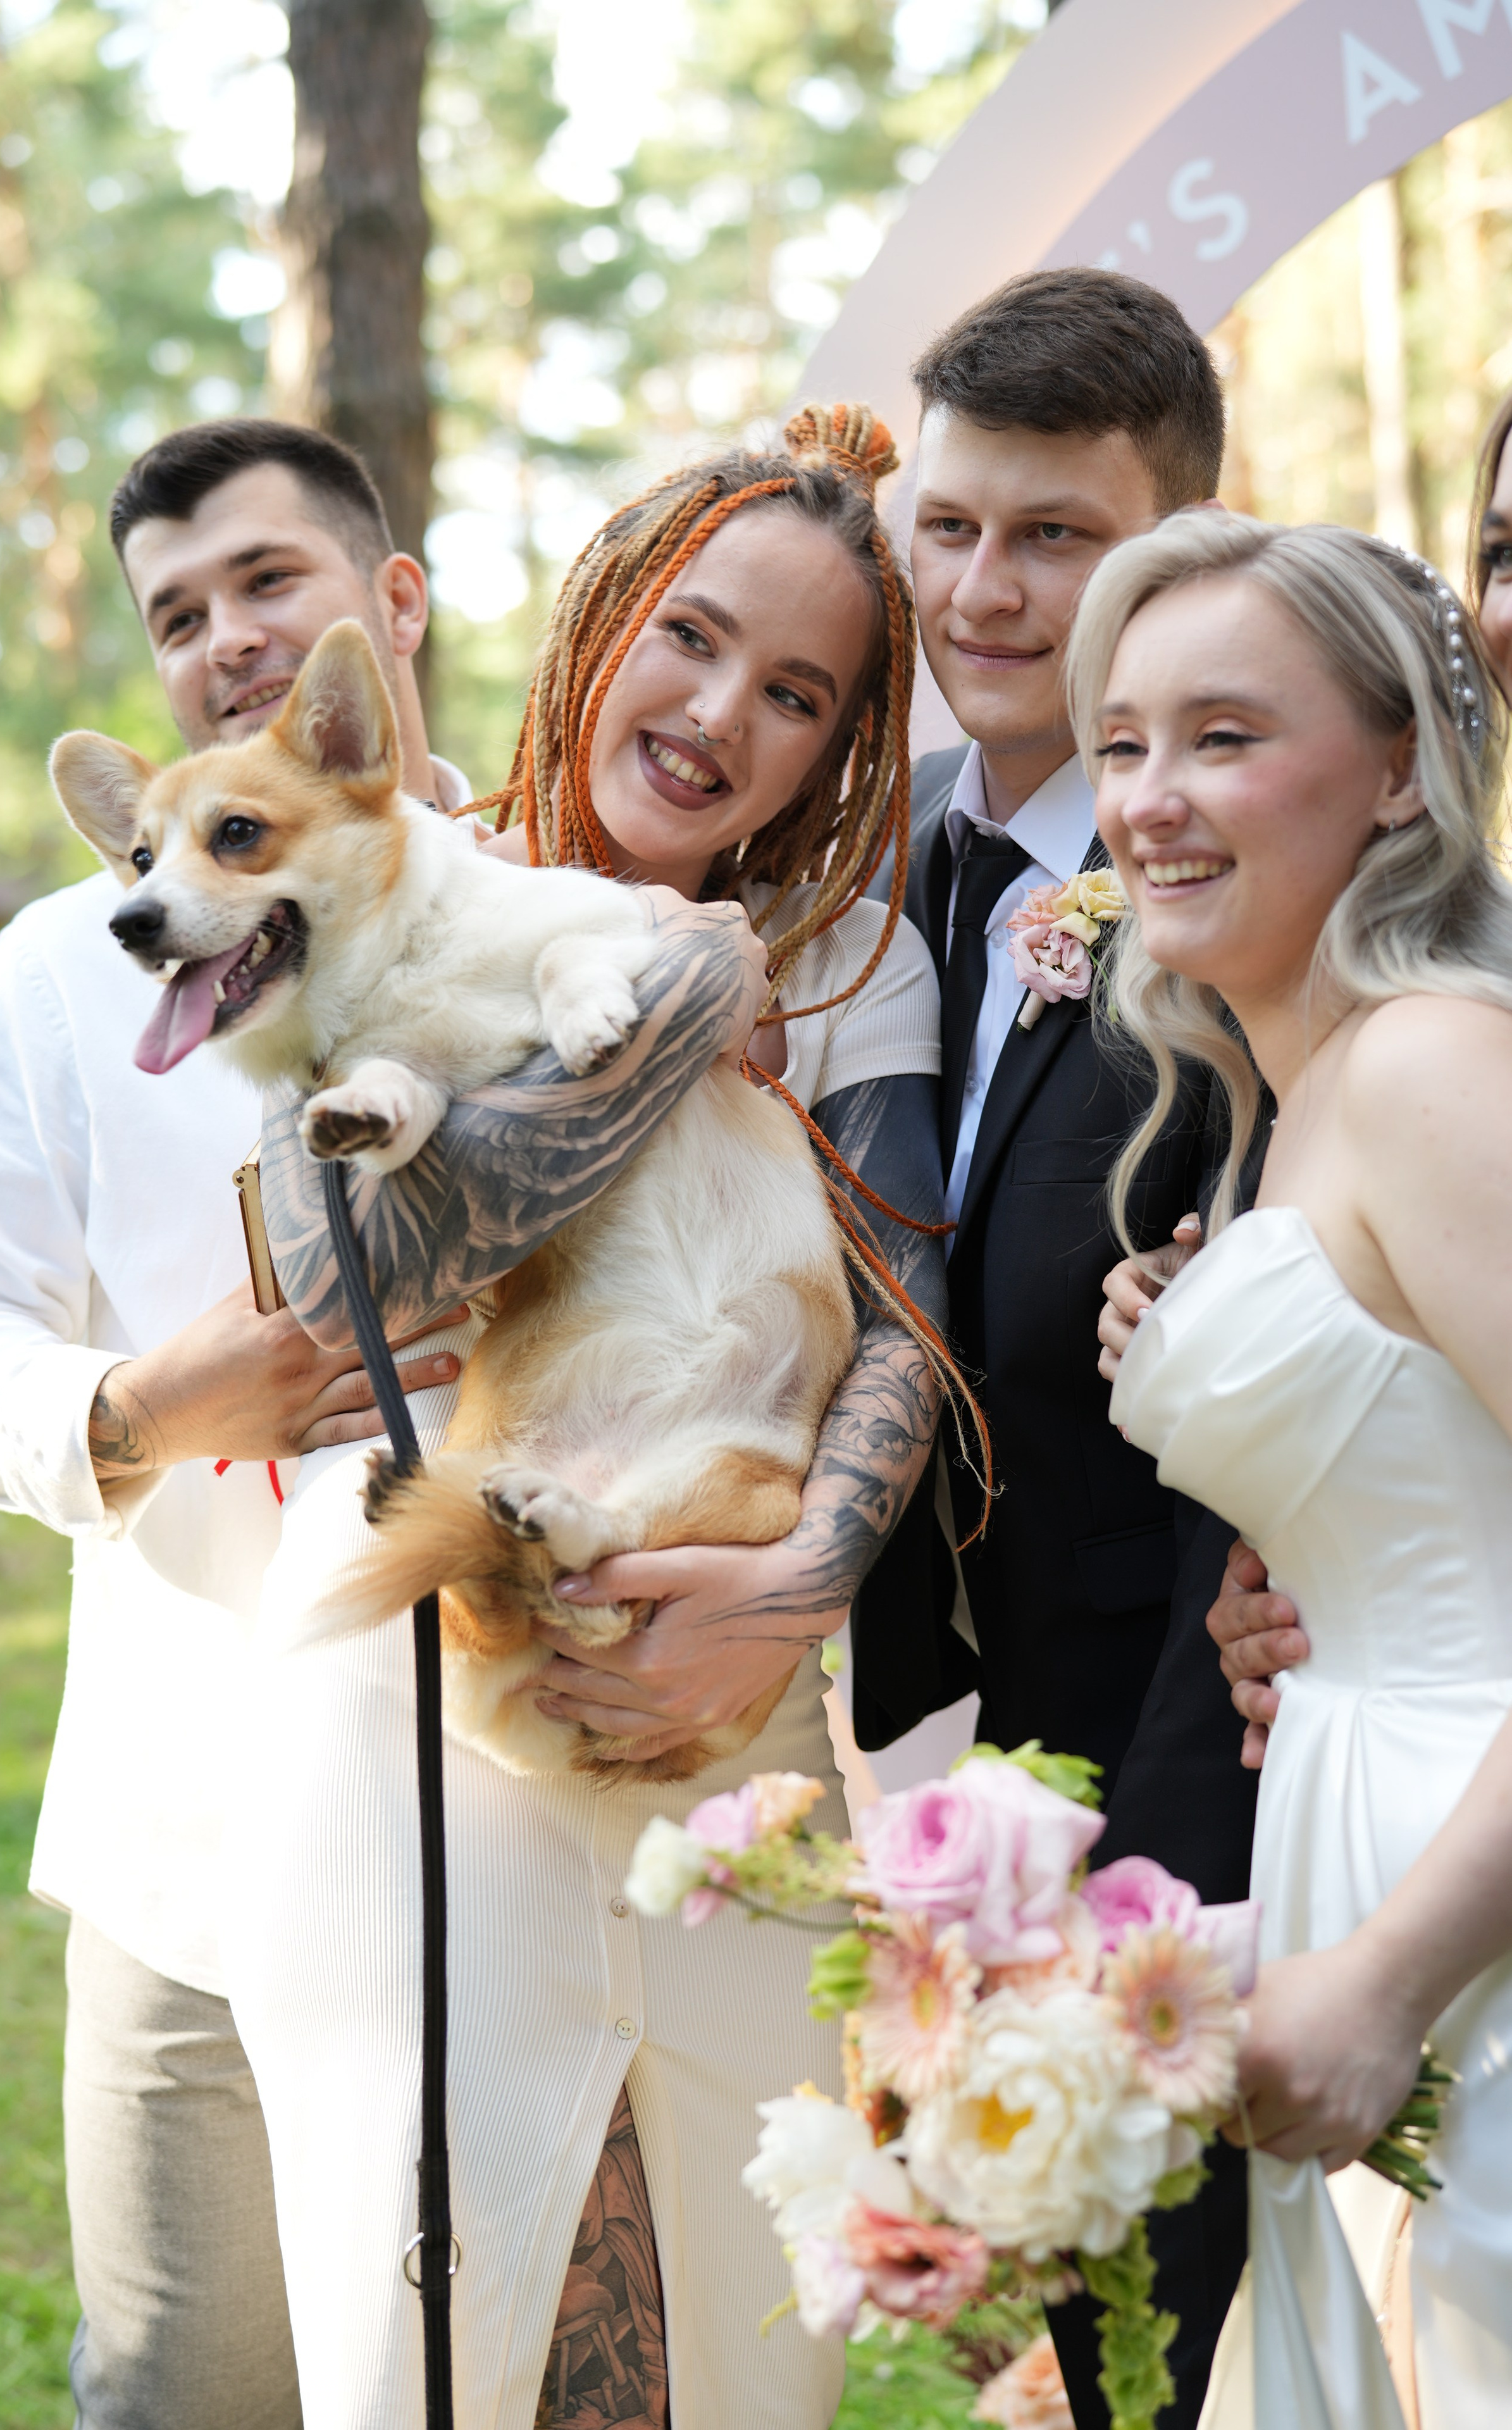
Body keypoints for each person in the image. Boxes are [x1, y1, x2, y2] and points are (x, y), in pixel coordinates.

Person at [0, 417, 759, 2430]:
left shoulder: (563, 916)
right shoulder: (65, 971)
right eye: (174, 613)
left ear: (393, 604)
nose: (220, 638)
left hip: (540, 1816)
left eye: (266, 580)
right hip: (194, 1830)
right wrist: (138, 1407)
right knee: (193, 2385)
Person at [232, 404, 947, 2429]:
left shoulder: (863, 965)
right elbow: (350, 1278)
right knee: (466, 2291)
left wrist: (801, 1579)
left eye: (795, 692)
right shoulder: (388, 881)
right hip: (429, 1687)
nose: (721, 715)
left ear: (838, 746)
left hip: (731, 1688)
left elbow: (908, 1318)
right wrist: (679, 1006)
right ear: (603, 616)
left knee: (728, 2309)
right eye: (693, 636)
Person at [849, 268, 1258, 2429]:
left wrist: (1164, 1871)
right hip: (964, 1752)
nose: (982, 591)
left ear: (1178, 545)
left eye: (1054, 537)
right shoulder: (897, 854)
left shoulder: (1238, 891)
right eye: (949, 526)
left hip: (1182, 1773)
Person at [1088, 508, 1512, 2424]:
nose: (1150, 799)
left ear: (1399, 770)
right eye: (1122, 743)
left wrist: (1397, 1976)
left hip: (1457, 1873)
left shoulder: (1428, 1070)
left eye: (1225, 737)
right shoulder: (1284, 1102)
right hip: (1347, 1821)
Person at [1191, 383, 1512, 1762]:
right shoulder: (1381, 1046)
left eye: (1218, 736)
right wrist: (1348, 1576)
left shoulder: (1426, 1055)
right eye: (1503, 555)